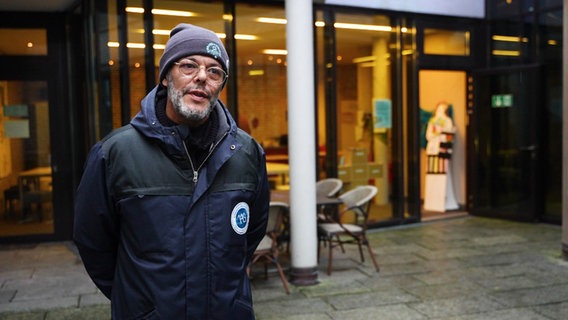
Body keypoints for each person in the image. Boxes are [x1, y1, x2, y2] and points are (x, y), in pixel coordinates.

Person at [73, 23, 270, 320]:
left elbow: (250, 233)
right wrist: (139, 301)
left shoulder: (246, 152)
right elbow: (94, 243)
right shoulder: (114, 154)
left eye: (215, 71)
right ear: (166, 76)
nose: (202, 77)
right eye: (188, 66)